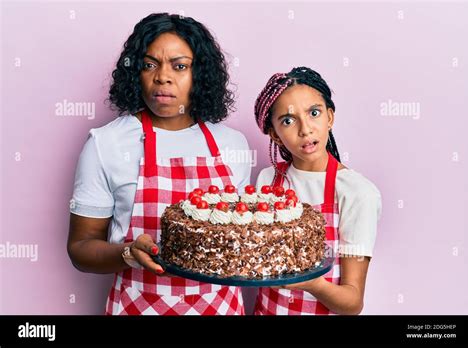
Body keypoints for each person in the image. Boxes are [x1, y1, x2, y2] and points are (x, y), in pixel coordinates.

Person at [67, 13, 251, 315]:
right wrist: (128, 253)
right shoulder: (106, 144)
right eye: (150, 64)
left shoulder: (233, 145)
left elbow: (241, 236)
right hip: (138, 306)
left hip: (220, 307)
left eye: (179, 66)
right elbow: (81, 248)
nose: (162, 76)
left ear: (200, 75)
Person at [253, 67, 381, 315]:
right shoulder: (268, 180)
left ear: (330, 118)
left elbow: (352, 303)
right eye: (288, 121)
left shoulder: (357, 193)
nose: (305, 129)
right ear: (275, 134)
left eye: (314, 113)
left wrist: (314, 284)